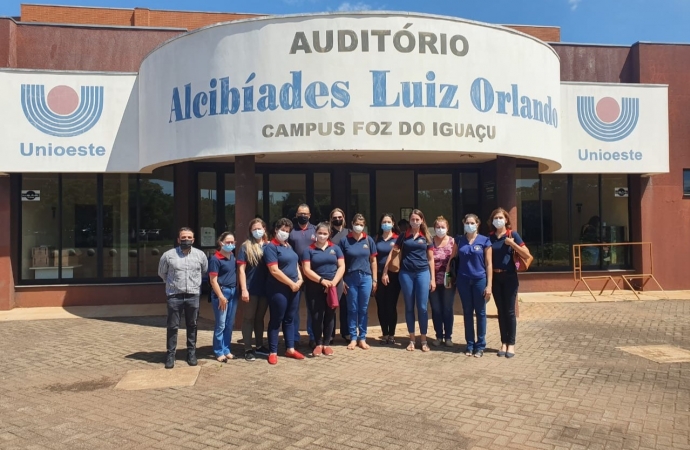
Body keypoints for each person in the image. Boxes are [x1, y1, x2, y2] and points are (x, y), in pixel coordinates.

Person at [382, 209, 435, 352]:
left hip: (423, 273)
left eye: (417, 219)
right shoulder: (403, 236)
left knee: (423, 308)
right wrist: (385, 271)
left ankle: (423, 340)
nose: (415, 222)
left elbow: (431, 259)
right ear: (409, 221)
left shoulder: (427, 236)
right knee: (409, 307)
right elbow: (393, 253)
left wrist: (433, 279)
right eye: (412, 219)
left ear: (422, 220)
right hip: (406, 274)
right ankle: (411, 339)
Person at [157, 227, 208, 369]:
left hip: (193, 295)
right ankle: (170, 354)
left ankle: (191, 353)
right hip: (174, 296)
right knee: (173, 326)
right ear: (178, 240)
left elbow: (204, 271)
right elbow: (162, 273)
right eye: (183, 238)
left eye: (189, 238)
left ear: (193, 240)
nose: (186, 240)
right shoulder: (168, 255)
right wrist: (173, 285)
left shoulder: (200, 255)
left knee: (192, 325)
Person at [489, 207, 531, 359]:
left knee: (510, 311)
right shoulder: (490, 238)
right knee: (501, 312)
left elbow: (527, 254)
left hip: (510, 277)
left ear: (506, 219)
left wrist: (512, 244)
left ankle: (511, 344)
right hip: (495, 277)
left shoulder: (512, 234)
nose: (498, 220)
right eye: (495, 218)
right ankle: (503, 342)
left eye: (501, 218)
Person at [264, 218, 305, 365]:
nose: (285, 233)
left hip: (294, 288)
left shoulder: (288, 246)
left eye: (288, 231)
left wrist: (299, 280)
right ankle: (273, 351)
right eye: (283, 230)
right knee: (276, 319)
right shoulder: (271, 247)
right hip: (278, 289)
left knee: (290, 319)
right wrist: (291, 284)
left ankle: (290, 349)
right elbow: (274, 270)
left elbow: (296, 265)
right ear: (276, 230)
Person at [302, 222, 346, 356]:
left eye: (325, 233)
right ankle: (318, 343)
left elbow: (342, 266)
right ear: (315, 233)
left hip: (333, 286)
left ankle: (327, 343)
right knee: (316, 315)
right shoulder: (308, 250)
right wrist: (322, 281)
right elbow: (306, 269)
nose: (322, 236)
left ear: (329, 234)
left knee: (330, 314)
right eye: (320, 233)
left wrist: (333, 282)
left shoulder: (336, 249)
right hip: (314, 286)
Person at [452, 214, 492, 357]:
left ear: (477, 224)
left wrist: (489, 285)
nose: (469, 225)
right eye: (467, 222)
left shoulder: (485, 241)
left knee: (480, 313)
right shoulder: (459, 240)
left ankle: (480, 345)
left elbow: (489, 264)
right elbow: (452, 258)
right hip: (463, 281)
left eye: (472, 223)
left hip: (479, 280)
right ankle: (470, 344)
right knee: (467, 312)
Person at [339, 213, 377, 350]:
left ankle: (363, 338)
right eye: (357, 224)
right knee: (352, 308)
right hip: (350, 277)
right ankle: (353, 337)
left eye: (361, 225)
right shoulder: (345, 241)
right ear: (352, 224)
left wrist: (374, 280)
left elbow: (373, 260)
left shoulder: (369, 240)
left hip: (366, 277)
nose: (359, 227)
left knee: (363, 309)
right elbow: (340, 263)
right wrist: (341, 280)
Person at [238, 218, 269, 361]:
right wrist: (244, 289)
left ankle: (259, 345)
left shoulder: (269, 246)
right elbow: (241, 270)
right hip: (251, 288)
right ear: (250, 231)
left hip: (265, 288)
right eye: (254, 229)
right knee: (248, 318)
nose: (258, 231)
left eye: (260, 228)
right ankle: (248, 348)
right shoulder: (245, 247)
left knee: (259, 318)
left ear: (264, 229)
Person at [288, 204, 317, 349]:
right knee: (294, 307)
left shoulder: (316, 230)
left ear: (310, 215)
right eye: (300, 213)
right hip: (295, 274)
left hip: (312, 273)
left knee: (312, 307)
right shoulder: (291, 231)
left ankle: (312, 336)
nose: (303, 216)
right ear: (296, 214)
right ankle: (294, 338)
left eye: (305, 213)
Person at [208, 232, 239, 362]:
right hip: (222, 293)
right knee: (220, 324)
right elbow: (213, 280)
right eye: (228, 242)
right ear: (221, 243)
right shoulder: (215, 259)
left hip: (233, 292)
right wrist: (220, 296)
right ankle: (218, 351)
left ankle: (226, 349)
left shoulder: (232, 256)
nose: (230, 245)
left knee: (229, 323)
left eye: (232, 242)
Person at [374, 213, 401, 345]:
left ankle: (392, 334)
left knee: (391, 305)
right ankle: (384, 333)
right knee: (381, 305)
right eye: (384, 222)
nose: (386, 224)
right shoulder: (377, 239)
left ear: (393, 223)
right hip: (378, 274)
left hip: (393, 275)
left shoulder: (397, 239)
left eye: (388, 221)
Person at [429, 216, 456, 347]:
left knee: (447, 308)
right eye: (438, 227)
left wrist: (448, 278)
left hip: (448, 278)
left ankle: (448, 336)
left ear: (447, 228)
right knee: (436, 309)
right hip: (433, 279)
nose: (440, 229)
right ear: (434, 228)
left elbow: (454, 261)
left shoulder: (452, 242)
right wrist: (432, 280)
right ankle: (439, 336)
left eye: (443, 227)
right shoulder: (430, 242)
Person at [328, 207, 351, 341]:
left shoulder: (349, 233)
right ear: (331, 219)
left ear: (343, 218)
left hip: (348, 274)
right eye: (334, 217)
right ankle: (330, 334)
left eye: (339, 217)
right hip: (333, 275)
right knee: (331, 305)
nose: (337, 219)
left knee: (346, 306)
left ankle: (346, 332)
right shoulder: (328, 234)